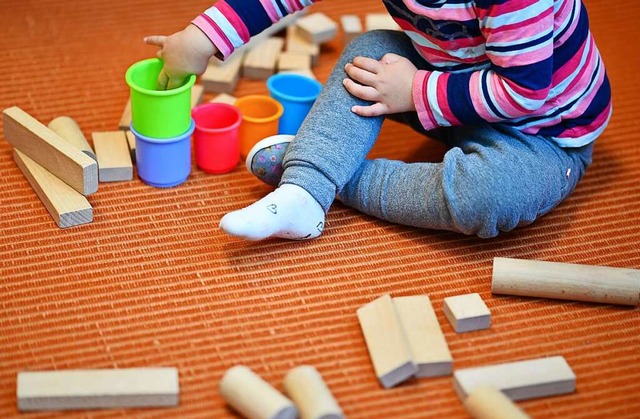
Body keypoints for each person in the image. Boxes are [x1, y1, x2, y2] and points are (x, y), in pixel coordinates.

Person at [145, 0, 611, 241]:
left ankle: (325, 177)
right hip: (441, 81)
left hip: (541, 133)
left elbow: (526, 92)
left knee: (489, 197)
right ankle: (305, 194)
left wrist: (412, 90)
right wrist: (203, 36)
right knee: (370, 52)